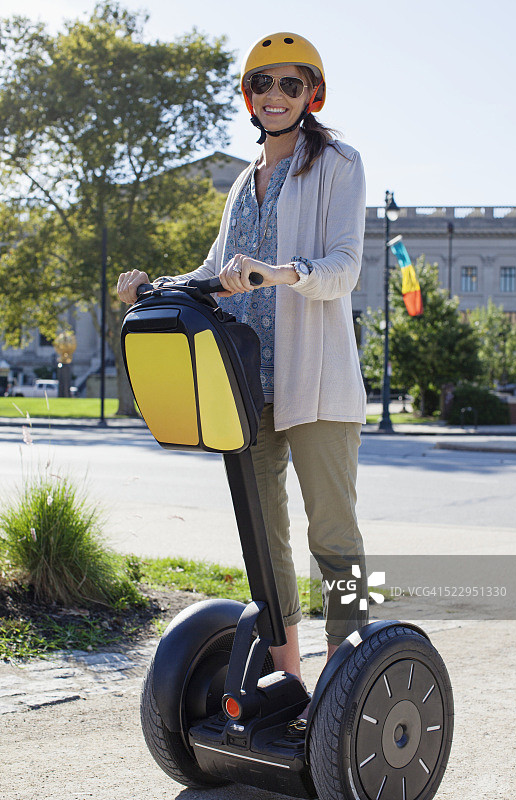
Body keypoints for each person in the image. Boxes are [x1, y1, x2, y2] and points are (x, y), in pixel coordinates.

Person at [117, 31, 368, 718]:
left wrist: (281, 273)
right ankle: (288, 680)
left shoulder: (337, 165)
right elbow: (212, 272)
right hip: (247, 383)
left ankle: (350, 678)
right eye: (263, 85)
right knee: (266, 543)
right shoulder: (243, 180)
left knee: (335, 541)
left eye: (291, 84)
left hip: (316, 381)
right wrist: (151, 286)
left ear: (310, 94)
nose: (276, 96)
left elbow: (344, 265)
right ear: (249, 98)